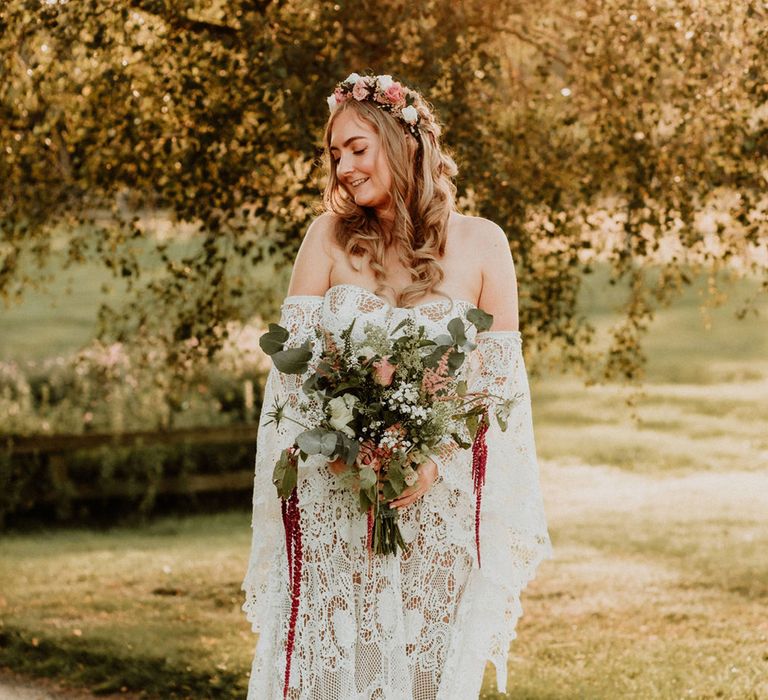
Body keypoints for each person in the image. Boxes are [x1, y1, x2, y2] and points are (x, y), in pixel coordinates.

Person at [242, 72, 553, 700]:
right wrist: (347, 447)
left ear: (405, 142)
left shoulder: (484, 243)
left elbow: (496, 390)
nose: (344, 169)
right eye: (334, 156)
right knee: (330, 672)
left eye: (357, 148)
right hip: (336, 496)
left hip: (437, 507)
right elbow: (294, 368)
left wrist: (429, 460)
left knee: (427, 675)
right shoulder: (326, 239)